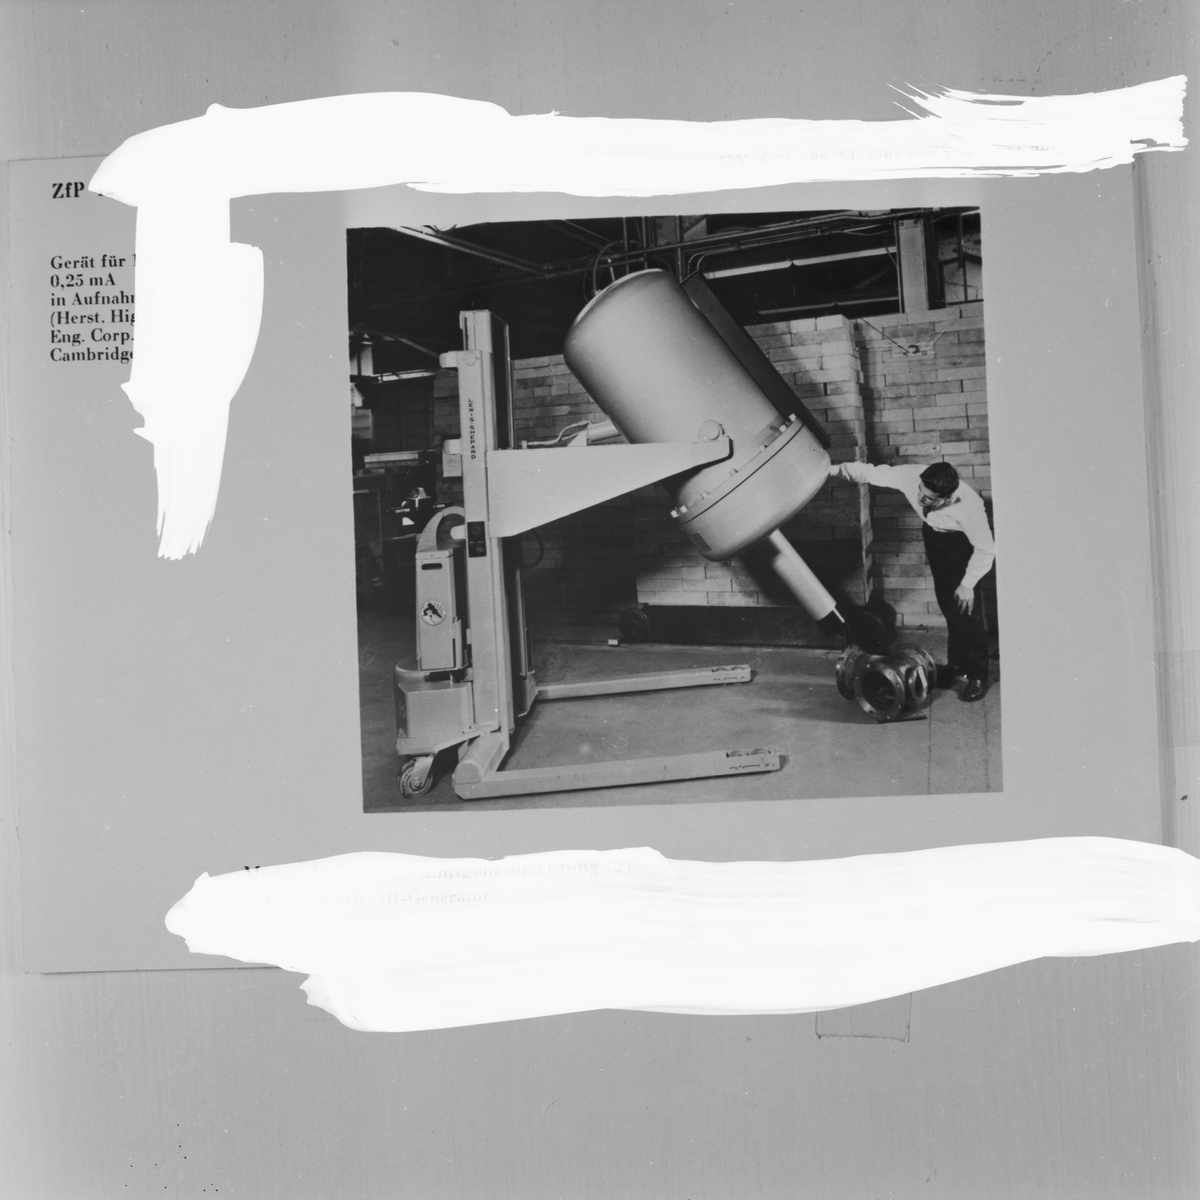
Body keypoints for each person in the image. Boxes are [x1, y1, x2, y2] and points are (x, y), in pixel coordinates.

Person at [829, 458, 995, 700]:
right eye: (921, 491)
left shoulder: (970, 506)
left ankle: (978, 674)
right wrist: (830, 470)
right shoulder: (913, 476)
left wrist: (967, 584)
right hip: (934, 536)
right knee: (948, 605)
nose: (920, 499)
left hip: (958, 543)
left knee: (967, 609)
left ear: (947, 498)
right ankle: (958, 665)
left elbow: (986, 549)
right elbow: (869, 472)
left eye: (929, 499)